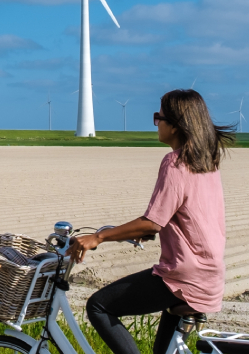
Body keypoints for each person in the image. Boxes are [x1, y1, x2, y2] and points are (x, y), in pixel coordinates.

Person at [67, 89, 235, 354]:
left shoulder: (175, 162)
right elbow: (179, 217)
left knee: (98, 306)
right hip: (209, 275)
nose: (156, 123)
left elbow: (153, 222)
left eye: (159, 117)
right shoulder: (206, 163)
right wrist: (138, 232)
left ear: (177, 125)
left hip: (184, 276)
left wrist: (97, 237)